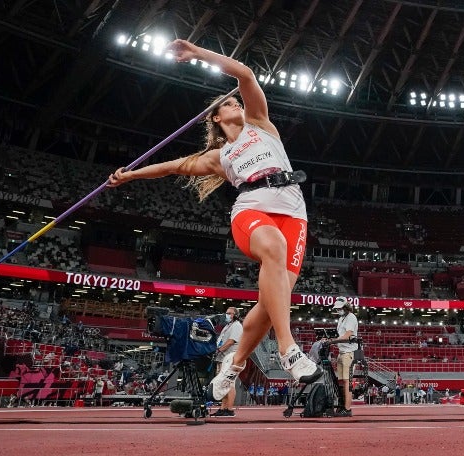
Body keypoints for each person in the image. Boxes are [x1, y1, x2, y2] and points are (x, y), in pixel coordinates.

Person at [107, 39, 322, 402]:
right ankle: (289, 350)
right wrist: (129, 175)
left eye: (234, 99)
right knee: (273, 248)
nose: (234, 101)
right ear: (217, 119)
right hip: (252, 208)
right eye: (226, 104)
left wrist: (197, 54)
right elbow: (172, 166)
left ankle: (232, 368)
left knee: (272, 303)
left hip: (294, 213)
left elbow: (244, 75)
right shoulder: (220, 156)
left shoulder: (262, 125)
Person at [323, 296, 358, 416]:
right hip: (342, 352)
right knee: (341, 382)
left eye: (340, 308)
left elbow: (348, 335)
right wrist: (331, 339)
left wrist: (333, 340)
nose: (338, 310)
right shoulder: (342, 318)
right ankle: (342, 406)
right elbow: (341, 335)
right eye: (337, 309)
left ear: (346, 307)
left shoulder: (351, 317)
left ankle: (347, 409)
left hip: (349, 353)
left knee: (347, 382)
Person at [211, 307, 244, 417]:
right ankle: (223, 407)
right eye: (226, 313)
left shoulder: (237, 326)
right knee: (223, 383)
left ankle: (229, 409)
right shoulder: (228, 326)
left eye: (230, 313)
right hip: (223, 357)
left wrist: (218, 350)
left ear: (235, 315)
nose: (227, 315)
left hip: (230, 357)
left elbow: (231, 341)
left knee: (229, 383)